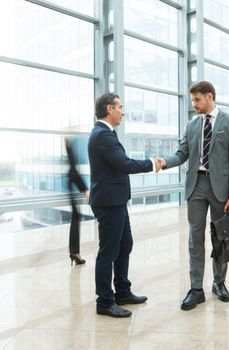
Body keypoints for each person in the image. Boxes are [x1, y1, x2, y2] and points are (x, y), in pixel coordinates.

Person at [156, 81, 229, 311]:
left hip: (221, 189)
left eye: (197, 100)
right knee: (195, 238)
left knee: (220, 237)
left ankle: (219, 282)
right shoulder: (192, 125)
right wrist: (165, 162)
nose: (193, 104)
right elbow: (182, 153)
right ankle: (196, 288)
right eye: (192, 100)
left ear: (209, 96)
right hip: (196, 185)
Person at [88, 93, 161, 318]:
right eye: (120, 107)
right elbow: (124, 164)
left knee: (124, 245)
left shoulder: (107, 133)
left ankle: (122, 291)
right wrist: (151, 163)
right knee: (108, 252)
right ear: (109, 109)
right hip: (109, 203)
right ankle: (105, 302)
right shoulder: (102, 135)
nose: (123, 111)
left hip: (116, 200)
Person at [64, 138, 90, 266]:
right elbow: (73, 169)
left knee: (75, 218)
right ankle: (75, 252)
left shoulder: (70, 146)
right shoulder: (72, 166)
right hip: (73, 187)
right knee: (75, 219)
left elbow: (72, 166)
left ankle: (74, 252)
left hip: (72, 186)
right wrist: (85, 189)